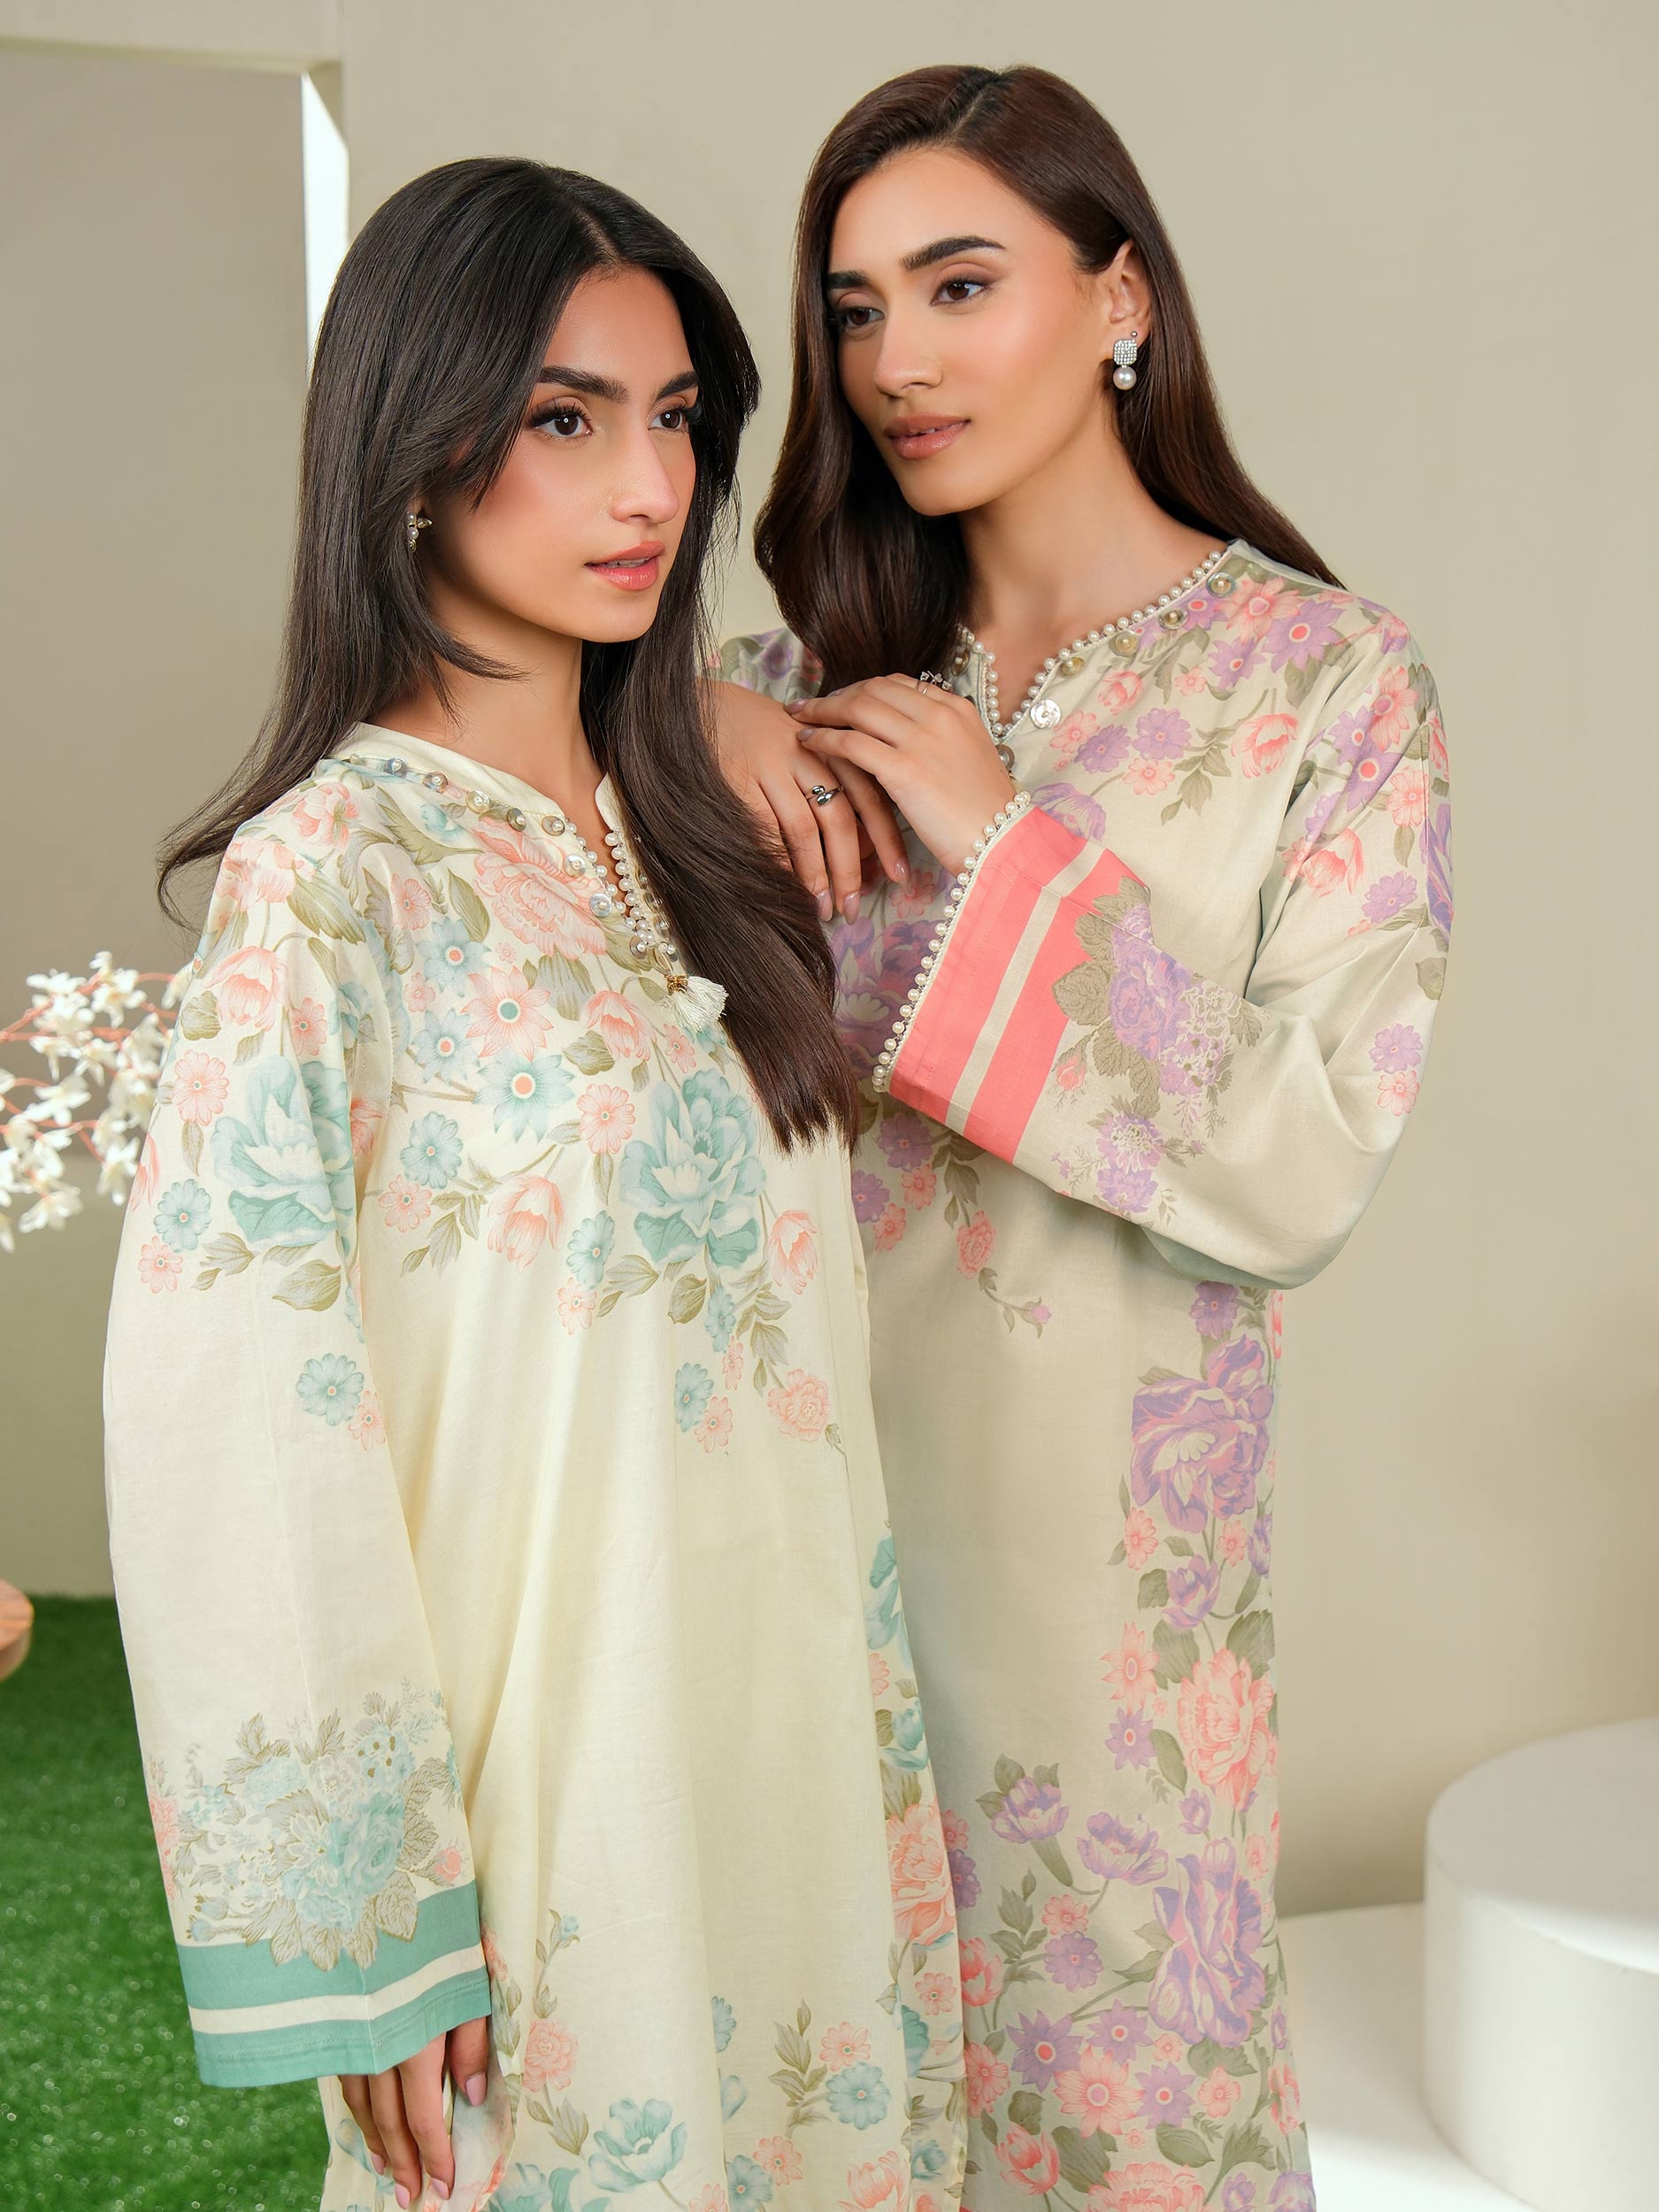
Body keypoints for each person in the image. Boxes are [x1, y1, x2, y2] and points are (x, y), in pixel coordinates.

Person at [104, 157, 964, 2212]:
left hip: (793, 1753)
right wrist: (365, 1936)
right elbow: (235, 1415)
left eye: (672, 419)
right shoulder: (331, 882)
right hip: (544, 1824)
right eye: (564, 418)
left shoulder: (710, 842)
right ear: (413, 453)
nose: (645, 485)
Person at [713, 65, 1454, 2212]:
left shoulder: (1324, 683)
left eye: (959, 284)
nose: (897, 359)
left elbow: (1296, 1160)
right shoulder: (784, 678)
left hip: (1099, 1599)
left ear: (1117, 296)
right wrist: (688, 719)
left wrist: (999, 843)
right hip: (779, 1520)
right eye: (855, 307)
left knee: (1106, 2117)